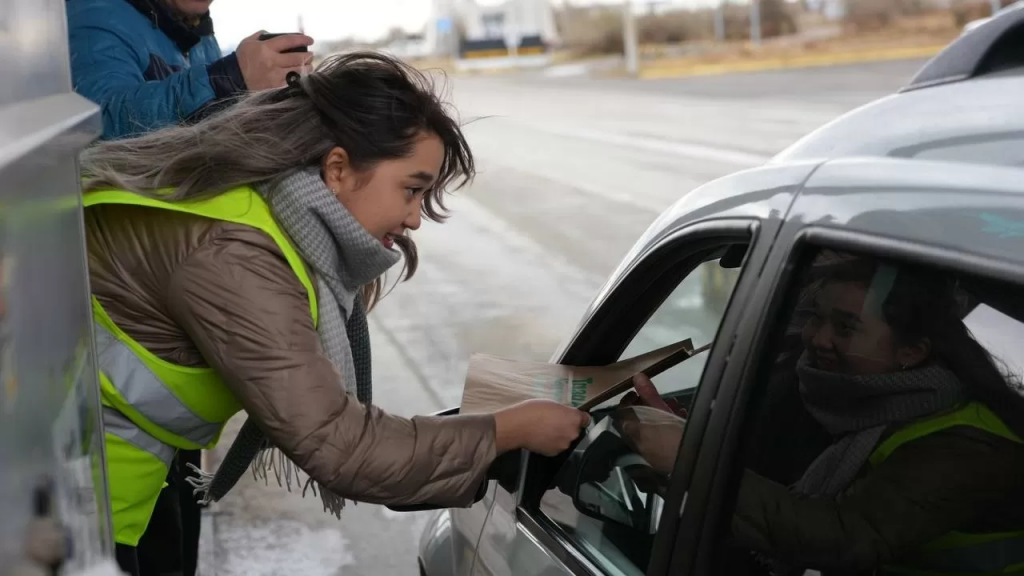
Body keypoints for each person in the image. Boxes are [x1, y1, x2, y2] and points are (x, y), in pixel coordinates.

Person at [79, 52, 590, 576]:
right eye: (412, 189)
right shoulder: (234, 254)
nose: (415, 217)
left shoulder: (260, 219)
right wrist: (507, 431)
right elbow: (337, 443)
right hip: (71, 499)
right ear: (339, 169)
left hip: (98, 489)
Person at [617, 253, 1024, 575]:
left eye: (845, 328)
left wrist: (691, 458)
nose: (817, 338)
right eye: (816, 317)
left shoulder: (969, 446)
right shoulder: (831, 397)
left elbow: (845, 537)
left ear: (911, 352)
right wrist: (684, 443)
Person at [67, 0, 314, 140]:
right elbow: (99, 122)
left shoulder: (196, 30)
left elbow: (208, 123)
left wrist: (262, 100)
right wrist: (229, 79)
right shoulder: (94, 13)